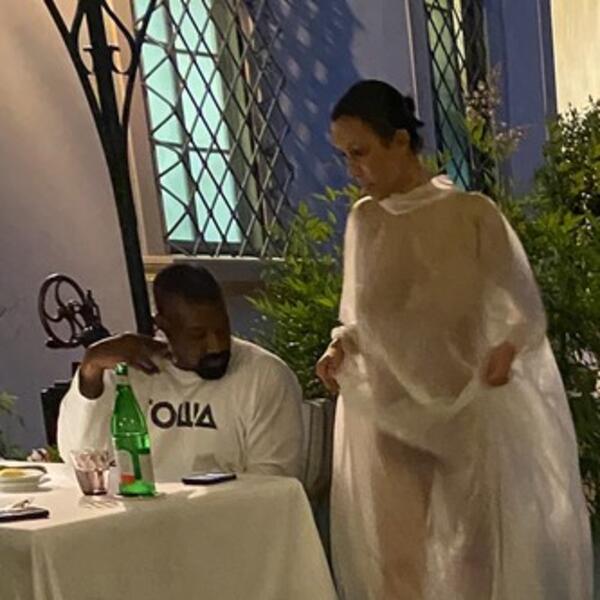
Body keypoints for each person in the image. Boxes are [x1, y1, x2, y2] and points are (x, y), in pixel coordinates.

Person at [316, 80, 593, 599]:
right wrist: (340, 347)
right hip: (390, 413)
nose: (352, 168)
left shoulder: (472, 215)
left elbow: (524, 310)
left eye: (360, 152)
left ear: (400, 141)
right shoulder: (365, 222)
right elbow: (360, 317)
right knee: (398, 562)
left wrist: (506, 349)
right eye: (344, 156)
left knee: (473, 560)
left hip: (464, 411)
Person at [58, 264, 304, 481]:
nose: (216, 346)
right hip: (140, 514)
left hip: (229, 516)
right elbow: (80, 456)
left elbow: (273, 483)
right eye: (198, 335)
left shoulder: (264, 375)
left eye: (222, 330)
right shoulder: (129, 371)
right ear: (163, 326)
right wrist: (91, 368)